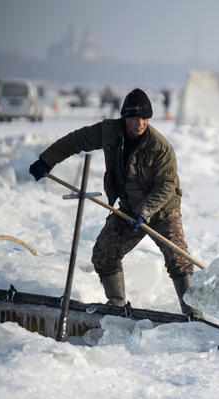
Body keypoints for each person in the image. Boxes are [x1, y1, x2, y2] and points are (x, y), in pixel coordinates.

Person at [28, 88, 198, 316]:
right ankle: (117, 306)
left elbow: (166, 186)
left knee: (179, 259)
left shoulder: (161, 148)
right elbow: (76, 141)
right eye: (135, 118)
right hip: (129, 208)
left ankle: (194, 315)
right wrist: (47, 160)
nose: (140, 124)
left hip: (162, 211)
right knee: (104, 253)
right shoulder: (109, 131)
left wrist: (145, 212)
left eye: (145, 119)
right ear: (125, 117)